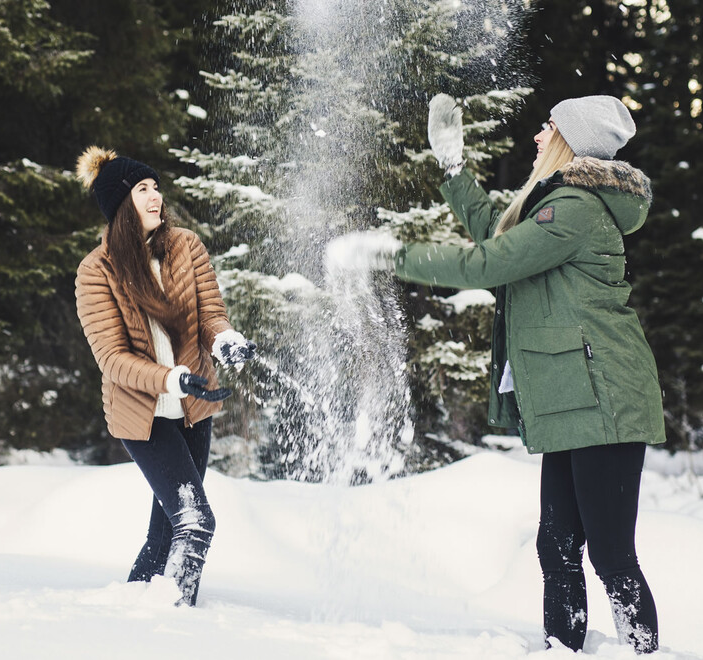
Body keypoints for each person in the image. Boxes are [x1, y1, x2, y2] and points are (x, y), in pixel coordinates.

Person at [336, 95, 664, 653]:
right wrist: (454, 170)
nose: (538, 136)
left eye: (548, 127)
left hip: (605, 399)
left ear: (570, 140)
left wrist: (392, 255)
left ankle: (643, 653)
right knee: (556, 546)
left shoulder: (575, 208)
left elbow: (488, 262)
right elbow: (499, 231)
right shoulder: (555, 204)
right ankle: (564, 651)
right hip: (573, 398)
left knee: (610, 554)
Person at [73, 146, 256, 607]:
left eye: (155, 187)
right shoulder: (97, 271)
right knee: (195, 521)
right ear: (120, 204)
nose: (155, 196)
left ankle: (131, 612)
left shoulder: (185, 246)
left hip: (195, 409)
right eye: (142, 189)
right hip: (144, 416)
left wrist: (224, 340)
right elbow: (112, 358)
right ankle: (174, 620)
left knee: (166, 535)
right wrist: (172, 379)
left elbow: (211, 313)